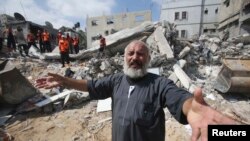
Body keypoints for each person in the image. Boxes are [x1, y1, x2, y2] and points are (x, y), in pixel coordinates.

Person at [35, 40, 238, 141]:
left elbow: (178, 97)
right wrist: (66, 81)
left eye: (141, 54)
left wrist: (193, 108)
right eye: (130, 53)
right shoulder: (115, 81)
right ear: (124, 58)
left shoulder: (159, 83)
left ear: (148, 60)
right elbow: (91, 86)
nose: (134, 57)